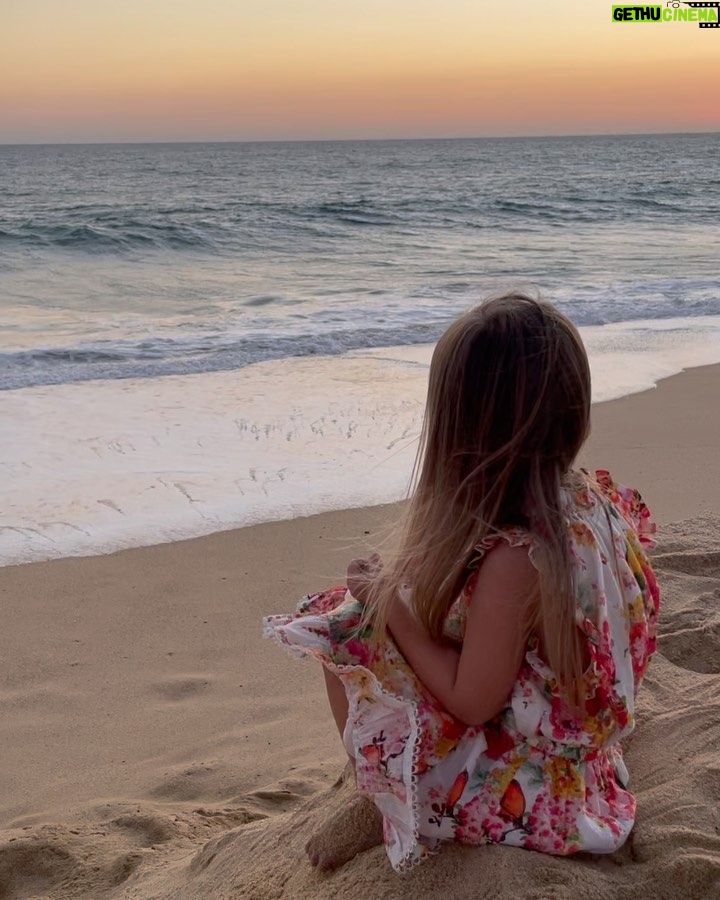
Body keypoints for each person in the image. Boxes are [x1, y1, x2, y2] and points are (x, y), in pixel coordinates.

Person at [264, 293, 660, 872]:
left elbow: (473, 701)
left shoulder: (520, 560)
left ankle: (391, 799)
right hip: (583, 754)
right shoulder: (595, 504)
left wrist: (387, 608)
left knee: (344, 623)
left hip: (534, 794)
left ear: (461, 430)